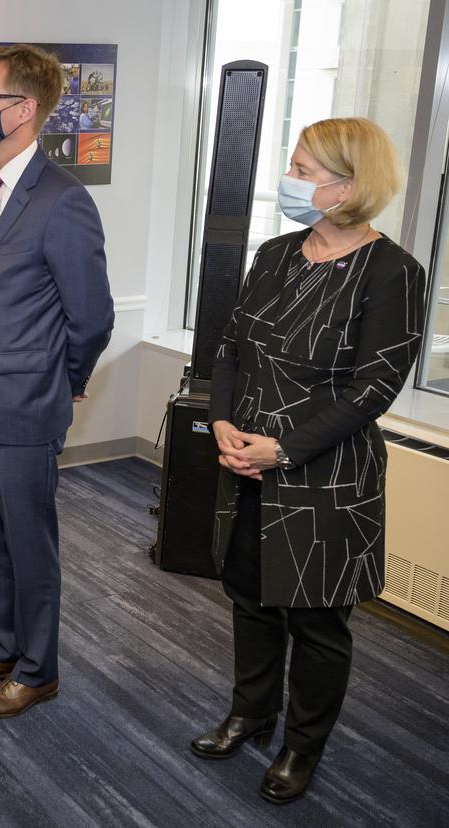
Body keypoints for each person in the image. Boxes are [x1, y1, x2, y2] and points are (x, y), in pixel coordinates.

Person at [192, 117, 428, 804]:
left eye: (301, 169)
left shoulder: (393, 274)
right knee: (251, 601)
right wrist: (223, 421)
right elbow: (232, 348)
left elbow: (372, 389)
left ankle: (302, 747)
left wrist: (284, 448)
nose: (287, 179)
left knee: (318, 624)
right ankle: (251, 713)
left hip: (326, 477)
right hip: (246, 463)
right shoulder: (275, 254)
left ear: (348, 186)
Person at [0, 45, 115, 718]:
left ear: (24, 110)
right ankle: (3, 645)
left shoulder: (64, 202)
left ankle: (39, 669)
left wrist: (61, 380)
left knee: (29, 546)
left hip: (25, 405)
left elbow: (91, 315)